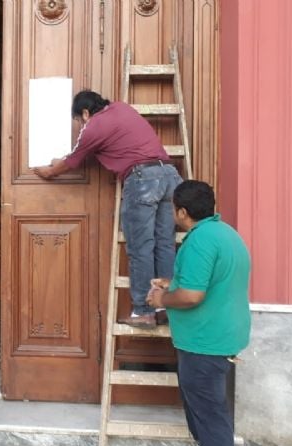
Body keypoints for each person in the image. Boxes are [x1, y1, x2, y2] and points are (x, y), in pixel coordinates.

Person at [33, 89, 182, 328]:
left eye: (79, 120)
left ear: (84, 112)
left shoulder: (93, 126)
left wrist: (49, 171)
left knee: (141, 248)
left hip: (143, 180)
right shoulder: (122, 108)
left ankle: (143, 311)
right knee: (164, 244)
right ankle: (166, 309)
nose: (81, 125)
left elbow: (73, 160)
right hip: (170, 177)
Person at [146, 180, 251, 446]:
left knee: (210, 420)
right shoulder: (224, 233)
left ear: (182, 212)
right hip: (221, 337)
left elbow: (193, 296)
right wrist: (174, 283)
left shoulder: (199, 241)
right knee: (212, 415)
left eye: (173, 210)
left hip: (204, 343)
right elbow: (216, 280)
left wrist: (162, 298)